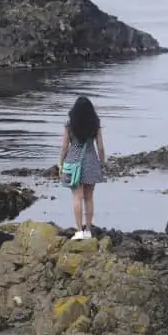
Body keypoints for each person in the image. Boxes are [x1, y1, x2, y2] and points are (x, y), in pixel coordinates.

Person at [58, 95, 106, 239]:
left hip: (73, 163)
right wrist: (102, 163)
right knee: (89, 198)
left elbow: (65, 147)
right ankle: (88, 230)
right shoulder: (95, 125)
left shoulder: (69, 126)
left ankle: (79, 231)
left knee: (77, 198)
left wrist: (60, 163)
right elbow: (101, 147)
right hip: (91, 162)